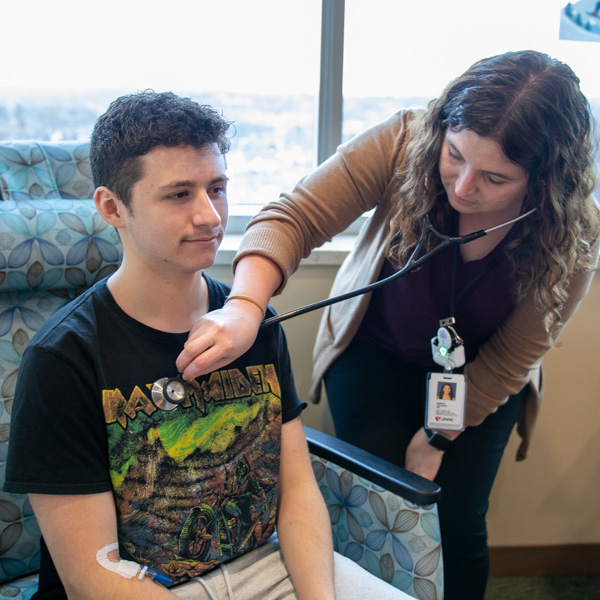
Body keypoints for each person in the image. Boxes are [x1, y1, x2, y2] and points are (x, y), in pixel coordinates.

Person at [175, 50, 600, 599]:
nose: (465, 187)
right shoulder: (405, 141)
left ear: (543, 184)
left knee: (456, 518)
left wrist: (435, 438)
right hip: (374, 352)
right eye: (455, 156)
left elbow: (516, 356)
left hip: (483, 378)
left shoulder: (573, 233)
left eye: (495, 177)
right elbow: (294, 216)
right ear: (442, 131)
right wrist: (244, 306)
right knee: (371, 508)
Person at [3, 92, 408, 600]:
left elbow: (298, 489)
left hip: (265, 562)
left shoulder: (253, 322)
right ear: (113, 208)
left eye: (216, 188)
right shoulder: (63, 358)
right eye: (179, 195)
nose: (211, 216)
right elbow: (92, 574)